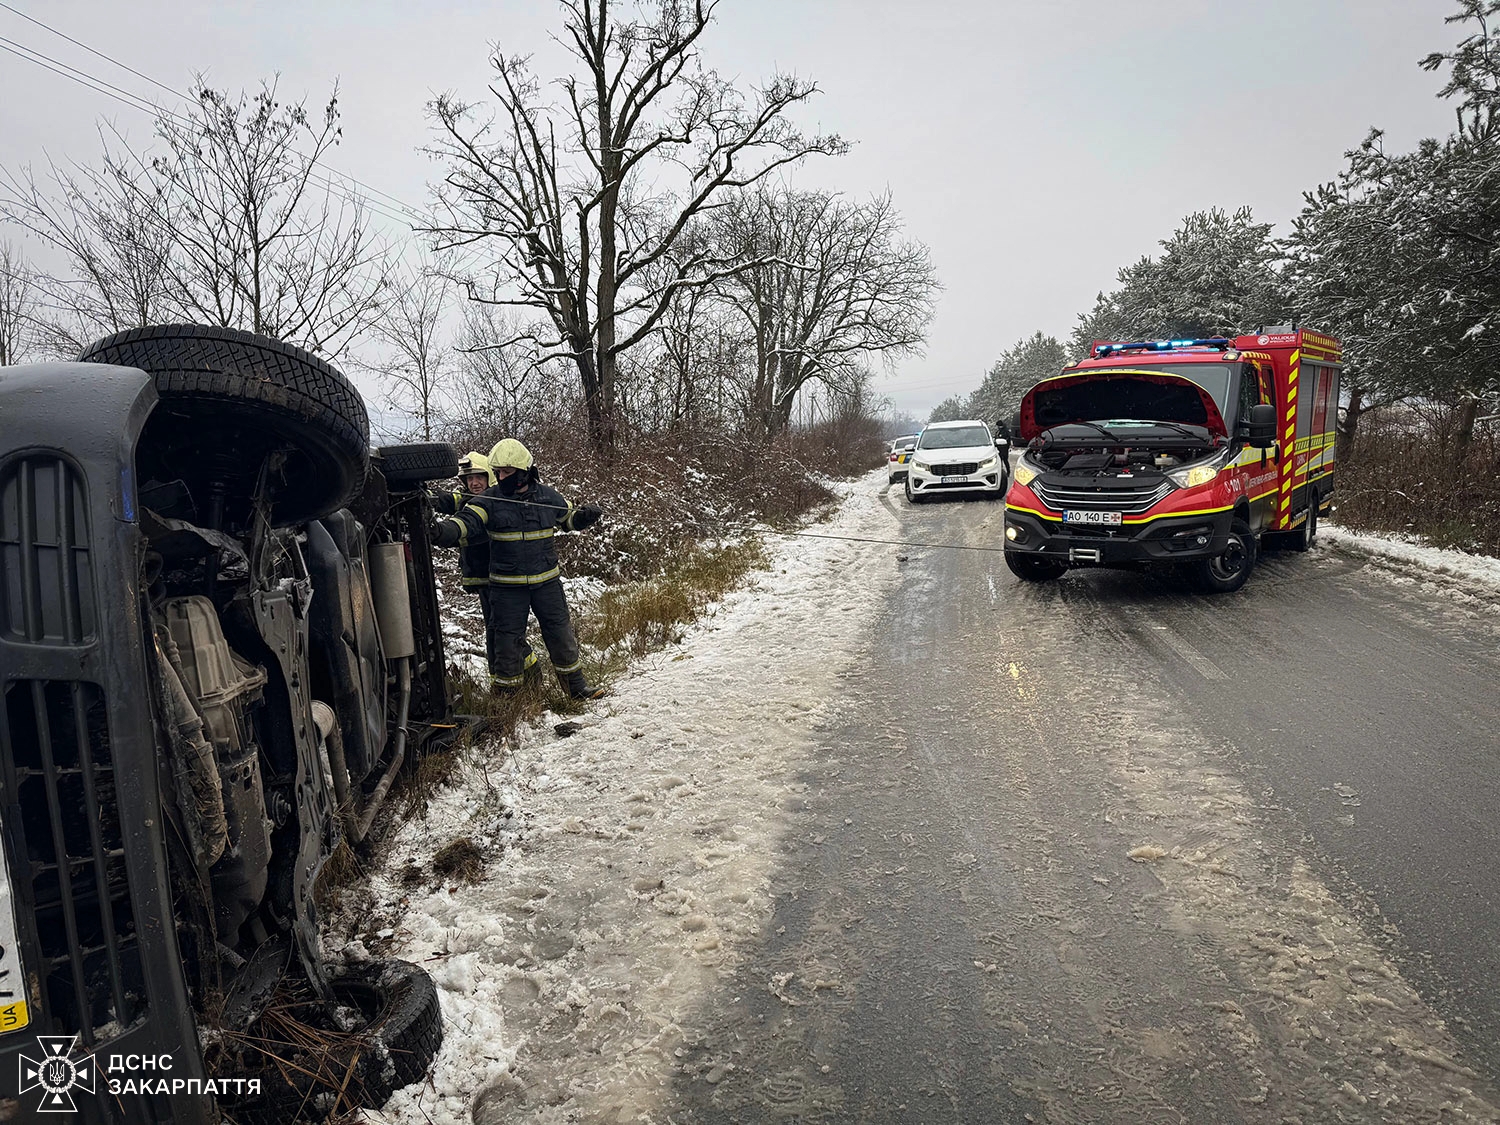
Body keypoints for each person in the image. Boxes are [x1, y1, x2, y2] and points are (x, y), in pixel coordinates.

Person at [431, 438, 604, 698]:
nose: (500, 477)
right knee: (506, 644)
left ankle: (577, 689)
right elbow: (465, 523)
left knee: (560, 635)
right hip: (506, 589)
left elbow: (568, 519)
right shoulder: (488, 501)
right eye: (498, 472)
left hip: (547, 585)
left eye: (506, 472)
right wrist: (439, 531)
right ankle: (507, 701)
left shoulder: (548, 496)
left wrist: (584, 517)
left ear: (524, 472)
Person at [429, 451, 540, 689]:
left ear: (491, 476)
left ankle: (513, 680)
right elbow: (449, 500)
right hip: (483, 579)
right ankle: (525, 674)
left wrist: (447, 533)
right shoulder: (468, 498)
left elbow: (474, 533)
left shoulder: (497, 502)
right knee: (498, 629)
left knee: (498, 631)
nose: (474, 483)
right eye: (469, 478)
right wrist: (427, 498)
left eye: (479, 477)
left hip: (500, 579)